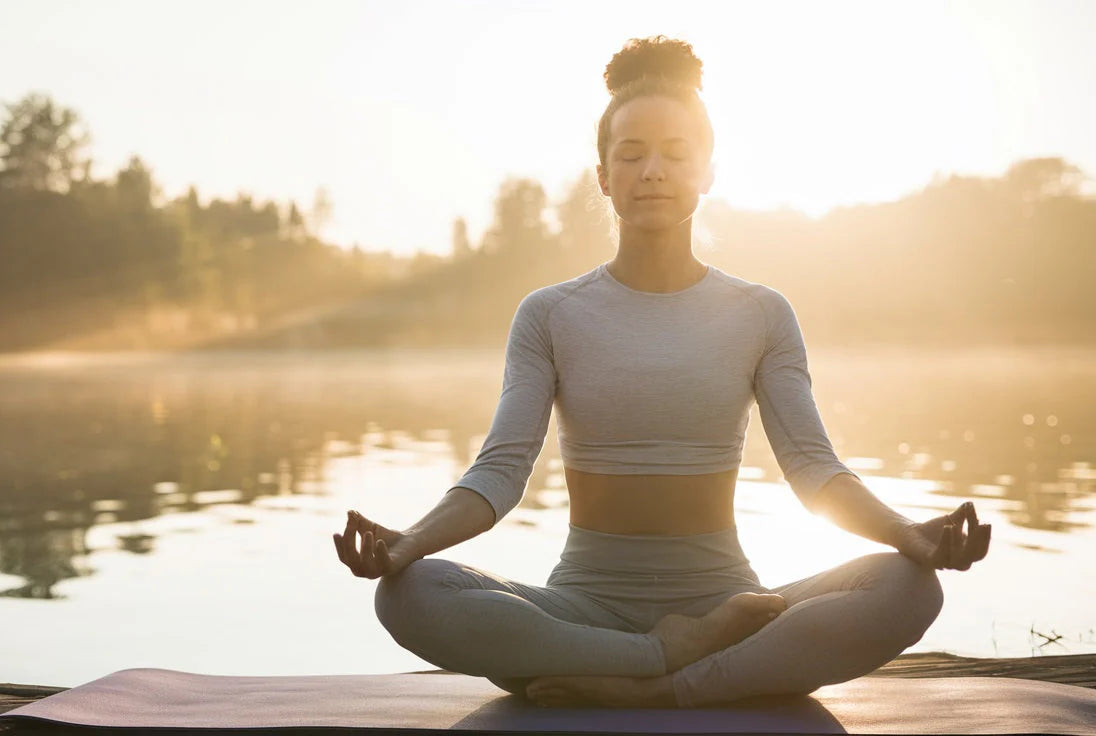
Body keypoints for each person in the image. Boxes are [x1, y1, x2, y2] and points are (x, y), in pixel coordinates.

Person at [331, 35, 991, 709]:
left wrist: (908, 534)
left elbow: (813, 468)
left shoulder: (761, 313)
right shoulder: (550, 314)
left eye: (676, 154)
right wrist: (407, 543)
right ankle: (665, 659)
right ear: (602, 176)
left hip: (731, 604)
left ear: (708, 172)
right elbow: (499, 472)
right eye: (631, 154)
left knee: (907, 586)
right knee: (411, 593)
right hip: (584, 607)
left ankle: (659, 684)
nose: (652, 171)